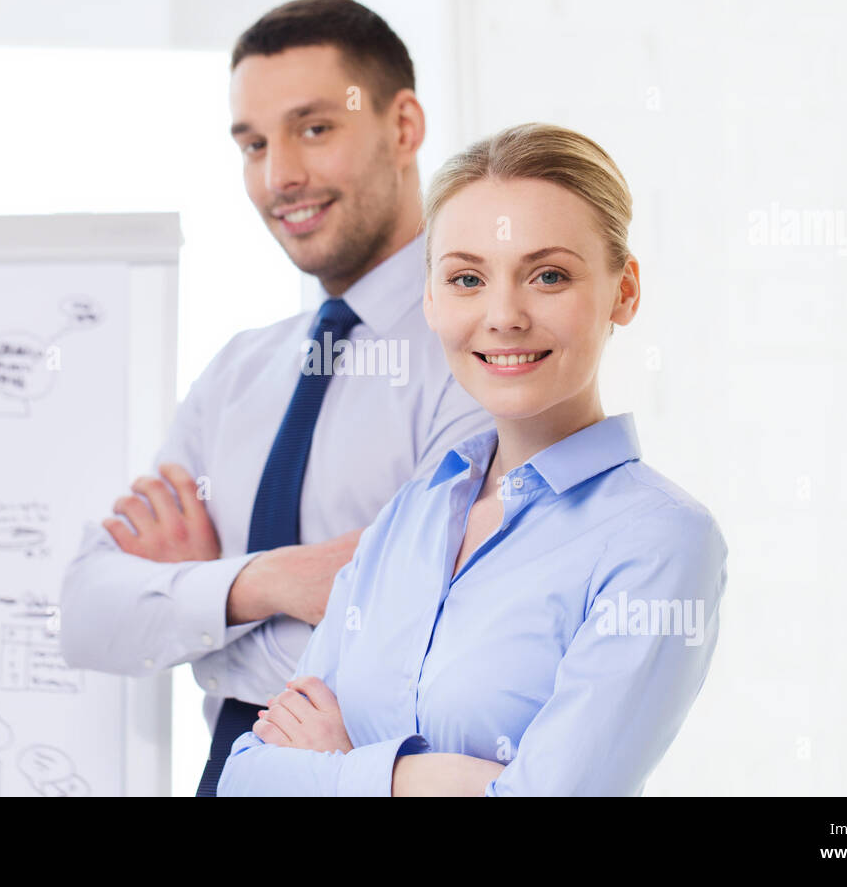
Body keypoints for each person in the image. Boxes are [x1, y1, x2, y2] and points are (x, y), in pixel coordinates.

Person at [58, 0, 491, 796]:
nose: (278, 175)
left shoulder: (480, 351)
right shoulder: (238, 374)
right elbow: (87, 615)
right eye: (253, 143)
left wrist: (196, 610)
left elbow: (438, 639)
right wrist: (267, 581)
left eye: (313, 128)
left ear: (403, 127)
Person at [218, 123, 729, 796]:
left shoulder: (660, 540)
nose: (504, 315)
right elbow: (247, 778)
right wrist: (430, 779)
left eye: (548, 275)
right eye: (466, 278)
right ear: (430, 297)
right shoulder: (412, 513)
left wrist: (343, 768)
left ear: (624, 291)